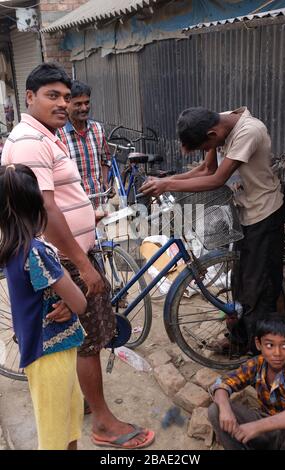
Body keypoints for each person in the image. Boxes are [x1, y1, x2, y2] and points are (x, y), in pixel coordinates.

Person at [1, 63, 155, 450]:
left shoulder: (47, 136)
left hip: (71, 252)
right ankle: (103, 422)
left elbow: (60, 200)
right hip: (65, 260)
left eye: (67, 97)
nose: (64, 104)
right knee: (89, 337)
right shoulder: (30, 141)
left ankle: (86, 407)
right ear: (30, 97)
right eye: (53, 96)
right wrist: (84, 266)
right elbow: (46, 210)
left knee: (83, 336)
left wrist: (88, 213)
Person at [141, 106, 284, 354]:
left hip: (264, 212)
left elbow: (217, 178)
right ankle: (240, 339)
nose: (209, 152)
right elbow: (206, 169)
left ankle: (256, 350)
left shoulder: (249, 131)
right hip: (244, 209)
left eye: (207, 147)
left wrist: (167, 184)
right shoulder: (219, 123)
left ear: (212, 133)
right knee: (239, 282)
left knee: (257, 287)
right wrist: (169, 181)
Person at [0, 163, 87, 450]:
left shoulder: (13, 246)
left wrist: (64, 301)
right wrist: (71, 301)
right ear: (38, 203)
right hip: (49, 353)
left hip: (47, 348)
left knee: (67, 423)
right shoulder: (36, 252)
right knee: (54, 437)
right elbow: (80, 302)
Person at [208, 314, 285, 450]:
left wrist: (257, 427)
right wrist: (225, 409)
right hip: (265, 423)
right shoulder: (256, 364)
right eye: (269, 345)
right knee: (215, 410)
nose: (277, 353)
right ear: (258, 344)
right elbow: (222, 383)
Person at [57, 80, 111, 199]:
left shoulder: (97, 129)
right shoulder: (58, 135)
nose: (84, 108)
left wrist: (105, 181)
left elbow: (106, 158)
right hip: (75, 205)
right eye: (78, 104)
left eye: (87, 103)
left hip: (99, 201)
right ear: (67, 104)